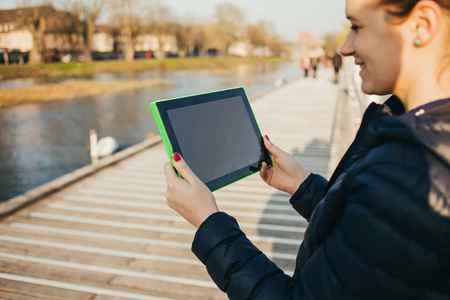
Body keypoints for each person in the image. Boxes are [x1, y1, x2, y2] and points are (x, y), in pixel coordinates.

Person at [163, 0, 450, 298]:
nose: (344, 47)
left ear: (422, 24)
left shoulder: (408, 170)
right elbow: (374, 239)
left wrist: (209, 223)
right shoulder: (414, 132)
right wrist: (303, 185)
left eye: (356, 26)